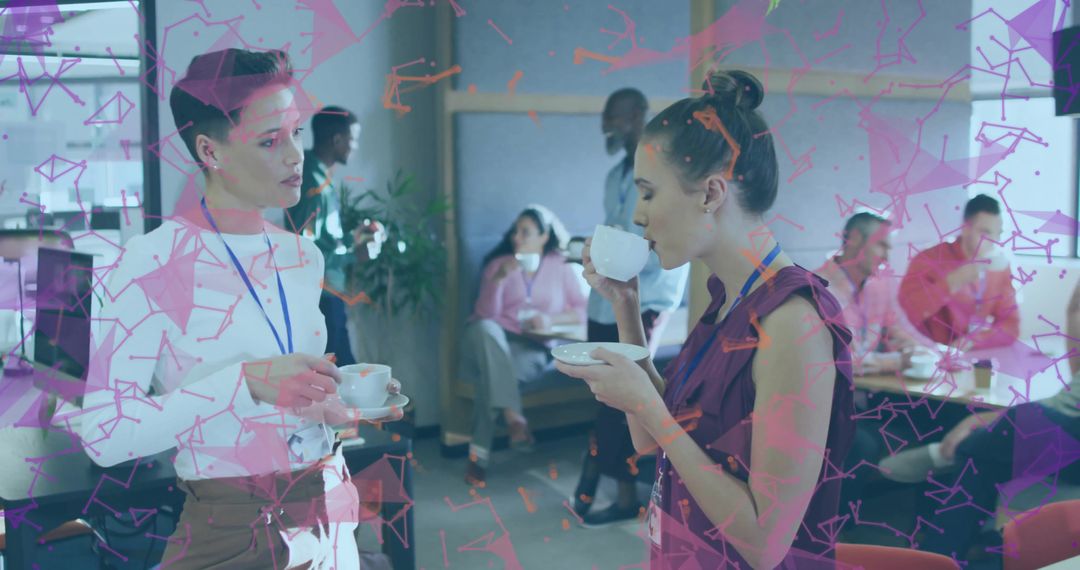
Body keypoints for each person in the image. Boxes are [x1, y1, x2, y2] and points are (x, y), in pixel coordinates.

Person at [78, 48, 400, 569]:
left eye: (296, 132)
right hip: (233, 529)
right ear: (211, 151)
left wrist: (332, 401)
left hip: (327, 512)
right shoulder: (152, 262)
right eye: (271, 140)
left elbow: (288, 397)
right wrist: (245, 383)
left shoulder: (302, 256)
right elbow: (104, 434)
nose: (296, 155)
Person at [557, 70, 855, 568]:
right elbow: (650, 439)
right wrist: (626, 307)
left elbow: (764, 542)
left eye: (649, 193)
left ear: (712, 194)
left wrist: (650, 409)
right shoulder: (726, 301)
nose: (637, 214)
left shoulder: (792, 324)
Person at [878, 279, 1080, 567]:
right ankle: (960, 553)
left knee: (986, 441)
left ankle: (942, 456)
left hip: (1065, 433)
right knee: (981, 463)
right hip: (1057, 433)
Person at [572, 88, 690, 527]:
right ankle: (611, 488)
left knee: (627, 395)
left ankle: (626, 495)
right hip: (608, 297)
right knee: (602, 394)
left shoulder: (666, 171)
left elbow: (653, 238)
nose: (609, 127)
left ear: (639, 115)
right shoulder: (614, 177)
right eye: (607, 119)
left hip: (651, 294)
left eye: (616, 118)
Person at [461, 205, 587, 485]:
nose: (517, 237)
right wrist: (498, 280)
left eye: (525, 232)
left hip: (531, 346)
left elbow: (581, 308)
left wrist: (549, 319)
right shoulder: (499, 264)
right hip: (488, 339)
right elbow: (484, 315)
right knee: (486, 329)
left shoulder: (559, 265)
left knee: (488, 382)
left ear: (544, 237)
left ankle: (477, 460)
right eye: (515, 231)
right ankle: (513, 416)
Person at [287, 105, 383, 367]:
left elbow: (322, 241)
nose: (356, 147)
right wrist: (355, 255)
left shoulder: (315, 178)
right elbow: (305, 254)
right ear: (337, 140)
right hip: (323, 297)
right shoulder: (314, 187)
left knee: (344, 372)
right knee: (342, 375)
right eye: (353, 139)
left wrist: (353, 239)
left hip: (327, 294)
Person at [899, 194, 1019, 350]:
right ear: (965, 228)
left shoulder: (998, 267)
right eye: (986, 233)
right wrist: (951, 282)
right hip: (925, 355)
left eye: (999, 233)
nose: (994, 241)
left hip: (966, 358)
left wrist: (972, 341)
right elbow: (907, 313)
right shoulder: (928, 259)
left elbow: (1011, 326)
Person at [816, 212, 920, 376]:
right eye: (881, 245)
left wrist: (942, 354)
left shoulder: (881, 285)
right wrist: (897, 361)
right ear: (855, 239)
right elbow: (841, 360)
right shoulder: (819, 289)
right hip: (834, 397)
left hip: (872, 392)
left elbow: (903, 330)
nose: (886, 257)